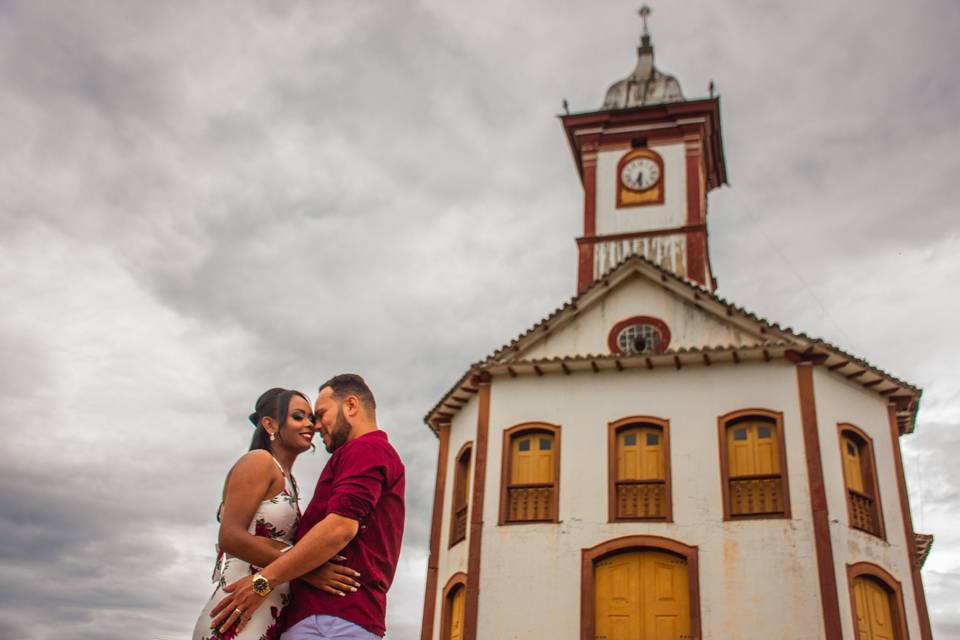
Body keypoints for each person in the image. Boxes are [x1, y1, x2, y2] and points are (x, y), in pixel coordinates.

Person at [210, 374, 406, 640]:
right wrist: (307, 570)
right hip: (312, 619)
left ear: (350, 406)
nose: (315, 426)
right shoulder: (269, 466)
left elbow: (339, 528)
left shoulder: (366, 450)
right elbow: (236, 536)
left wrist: (262, 582)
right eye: (301, 417)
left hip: (329, 621)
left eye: (320, 414)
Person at [193, 388, 362, 640]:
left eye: (311, 418)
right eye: (298, 416)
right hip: (237, 613)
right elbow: (230, 537)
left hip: (269, 612)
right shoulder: (259, 461)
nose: (310, 425)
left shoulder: (290, 481)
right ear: (270, 424)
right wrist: (308, 570)